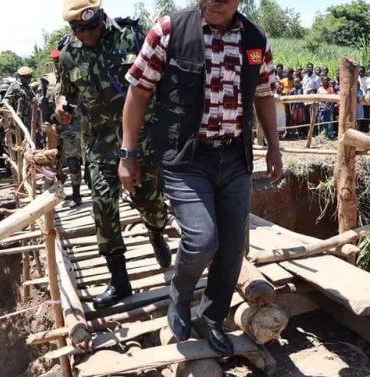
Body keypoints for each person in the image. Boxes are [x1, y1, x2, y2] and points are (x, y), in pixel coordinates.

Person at [120, 0, 282, 355]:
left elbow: (264, 94)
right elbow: (138, 92)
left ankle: (212, 316)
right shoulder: (169, 31)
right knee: (202, 238)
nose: (212, 2)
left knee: (231, 246)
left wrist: (273, 146)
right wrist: (128, 154)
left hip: (235, 157)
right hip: (186, 157)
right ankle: (179, 295)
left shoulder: (255, 40)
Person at [56, 0, 171, 310]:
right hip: (98, 146)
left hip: (140, 143)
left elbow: (161, 79)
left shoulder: (132, 37)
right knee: (104, 208)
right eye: (77, 29)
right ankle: (119, 281)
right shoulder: (67, 53)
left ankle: (156, 230)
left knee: (151, 202)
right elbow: (65, 89)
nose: (84, 34)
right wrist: (62, 105)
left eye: (89, 27)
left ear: (101, 18)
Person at [51, 49, 83, 207]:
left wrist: (69, 112)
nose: (57, 67)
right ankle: (60, 192)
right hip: (59, 129)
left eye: (58, 63)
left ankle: (77, 195)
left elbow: (80, 104)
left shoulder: (75, 80)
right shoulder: (59, 84)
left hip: (72, 128)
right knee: (58, 161)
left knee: (73, 162)